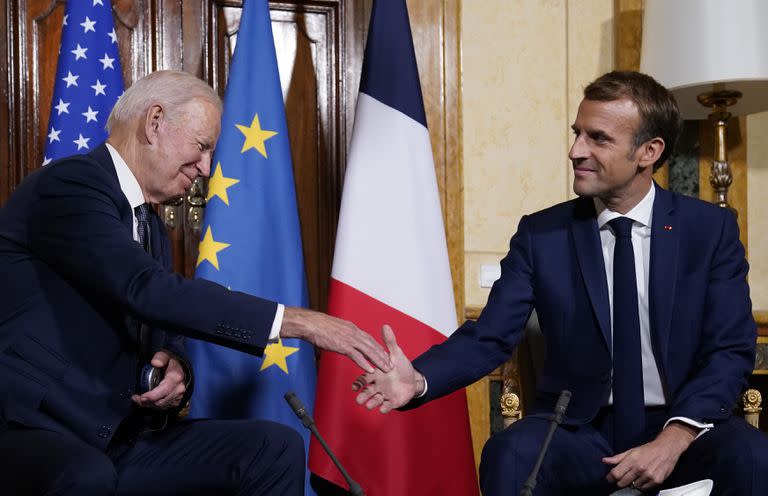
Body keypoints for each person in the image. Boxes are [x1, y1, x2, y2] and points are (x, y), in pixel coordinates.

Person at [353, 71, 768, 495]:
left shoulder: (709, 230)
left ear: (649, 151)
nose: (576, 151)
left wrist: (674, 438)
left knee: (752, 456)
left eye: (598, 138)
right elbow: (490, 337)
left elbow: (729, 348)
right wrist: (418, 378)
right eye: (577, 134)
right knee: (510, 454)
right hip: (578, 429)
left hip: (681, 424)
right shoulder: (542, 235)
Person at [0, 70, 391, 496]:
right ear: (154, 123)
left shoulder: (149, 224)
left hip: (116, 436)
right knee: (88, 476)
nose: (206, 168)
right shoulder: (70, 185)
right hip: (35, 429)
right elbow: (143, 289)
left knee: (272, 448)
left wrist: (177, 368)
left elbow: (162, 326)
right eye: (201, 147)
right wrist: (299, 322)